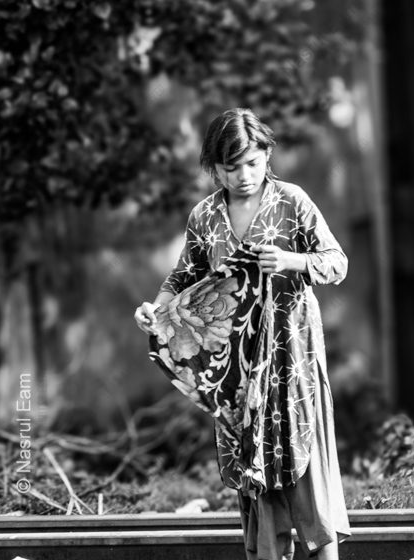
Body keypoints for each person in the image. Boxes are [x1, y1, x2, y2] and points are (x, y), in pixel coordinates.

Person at [133, 108, 351, 560]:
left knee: (303, 460)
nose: (244, 175)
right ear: (214, 169)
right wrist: (155, 309)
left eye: (252, 162)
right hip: (235, 368)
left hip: (293, 361)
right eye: (231, 168)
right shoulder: (206, 216)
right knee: (255, 472)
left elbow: (336, 262)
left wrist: (293, 262)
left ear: (267, 155)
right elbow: (183, 277)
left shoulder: (292, 201)